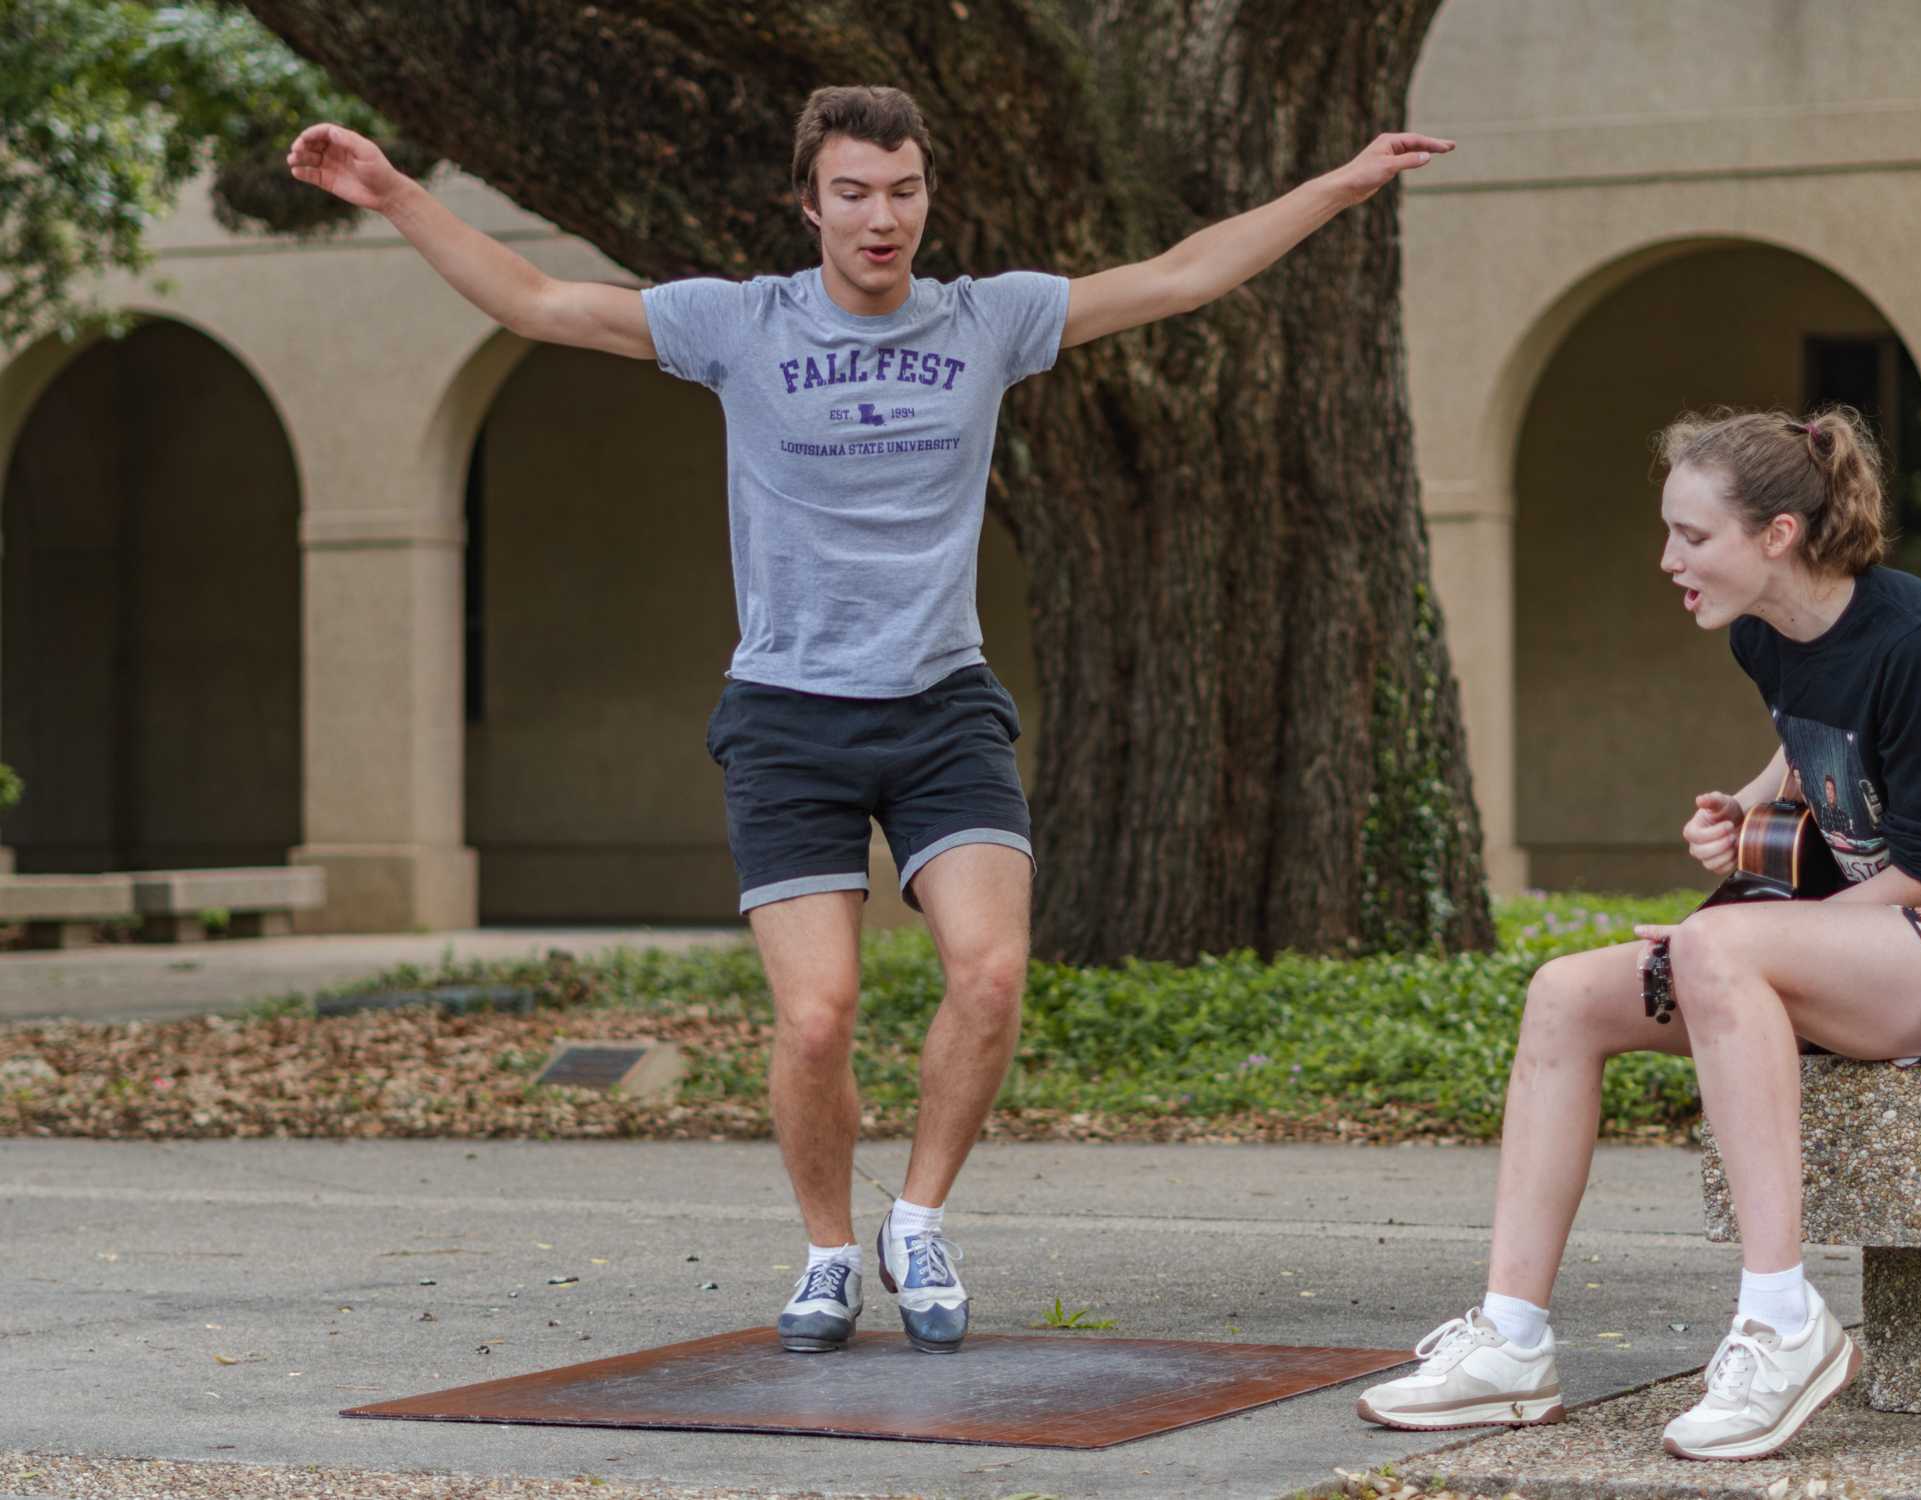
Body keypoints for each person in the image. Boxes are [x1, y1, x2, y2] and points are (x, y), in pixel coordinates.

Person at [288, 85, 1454, 1355]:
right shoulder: (740, 322)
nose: (880, 216)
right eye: (853, 193)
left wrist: (1339, 186)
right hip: (788, 717)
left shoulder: (988, 318)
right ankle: (829, 1253)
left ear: (926, 200)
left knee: (993, 973)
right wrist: (396, 191)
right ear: (811, 203)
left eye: (902, 192)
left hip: (943, 705)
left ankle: (919, 1219)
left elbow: (1177, 276)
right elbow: (540, 305)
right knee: (818, 1016)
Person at [1355, 406, 1921, 1459]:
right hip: (1864, 951)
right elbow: (1814, 744)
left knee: (1714, 946)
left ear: (1778, 533)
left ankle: (1784, 1320)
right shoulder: (1766, 636)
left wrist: (1743, 944)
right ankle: (1510, 1341)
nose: (1667, 559)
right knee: (1566, 991)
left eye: (1692, 536)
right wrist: (1749, 809)